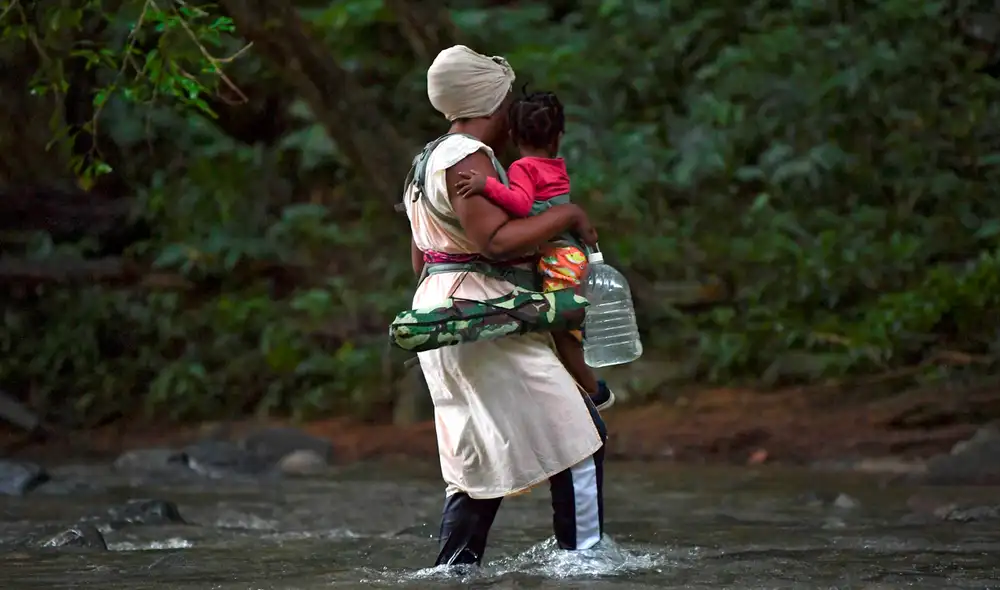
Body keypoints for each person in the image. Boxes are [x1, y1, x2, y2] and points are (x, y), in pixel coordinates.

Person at [404, 45, 609, 567]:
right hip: (484, 317)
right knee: (581, 434)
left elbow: (421, 257)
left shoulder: (424, 161)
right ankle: (583, 565)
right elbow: (496, 242)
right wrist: (567, 215)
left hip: (441, 313)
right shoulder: (465, 157)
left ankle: (454, 571)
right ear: (490, 104)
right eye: (506, 103)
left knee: (475, 459)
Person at [452, 88, 614, 411]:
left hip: (557, 258)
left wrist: (487, 186)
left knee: (560, 324)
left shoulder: (522, 169)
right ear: (558, 137)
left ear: (511, 135)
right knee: (565, 321)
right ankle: (581, 384)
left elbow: (523, 204)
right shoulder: (555, 166)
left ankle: (594, 390)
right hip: (571, 254)